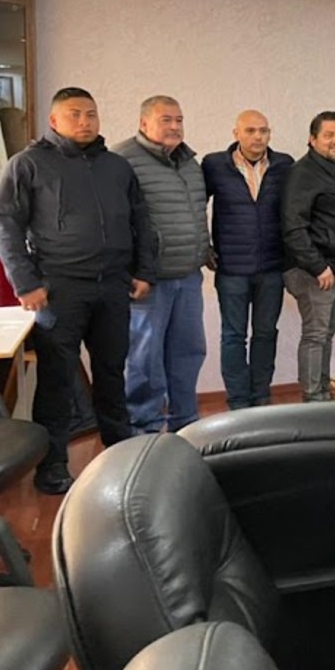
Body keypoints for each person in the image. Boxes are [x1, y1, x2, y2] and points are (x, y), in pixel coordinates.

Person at [0, 88, 155, 495]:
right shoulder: (28, 164)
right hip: (59, 289)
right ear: (54, 121)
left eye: (91, 114)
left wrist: (144, 271)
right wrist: (26, 283)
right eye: (74, 114)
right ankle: (51, 467)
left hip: (114, 285)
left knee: (111, 372)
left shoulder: (116, 166)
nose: (85, 121)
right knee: (57, 381)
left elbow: (141, 219)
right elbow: (7, 226)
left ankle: (120, 455)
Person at [115, 95, 208, 433]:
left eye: (179, 120)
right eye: (165, 119)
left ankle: (186, 424)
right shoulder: (123, 160)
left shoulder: (189, 162)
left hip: (188, 275)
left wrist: (205, 248)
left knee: (189, 352)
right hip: (148, 281)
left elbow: (195, 213)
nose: (174, 126)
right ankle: (145, 429)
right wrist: (134, 271)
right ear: (144, 124)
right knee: (145, 359)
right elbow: (116, 222)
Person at [202, 109, 293, 410]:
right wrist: (204, 245)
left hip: (272, 267)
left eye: (263, 131)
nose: (258, 137)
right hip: (232, 269)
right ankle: (238, 401)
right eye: (250, 130)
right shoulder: (215, 165)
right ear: (236, 133)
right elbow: (195, 204)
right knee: (233, 336)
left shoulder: (284, 165)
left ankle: (261, 395)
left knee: (266, 334)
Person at [282, 111, 335, 402]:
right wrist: (318, 266)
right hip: (313, 272)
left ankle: (323, 393)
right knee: (315, 335)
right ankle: (313, 398)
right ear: (312, 139)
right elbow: (293, 226)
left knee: (326, 333)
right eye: (329, 135)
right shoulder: (302, 173)